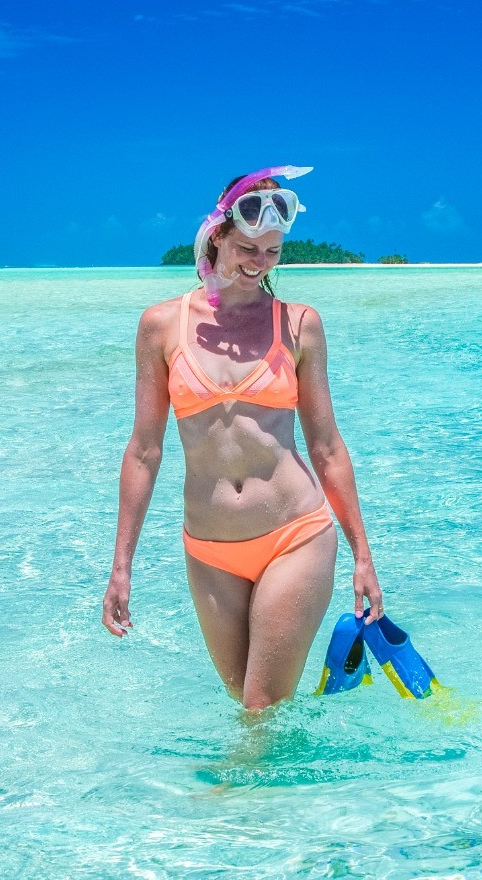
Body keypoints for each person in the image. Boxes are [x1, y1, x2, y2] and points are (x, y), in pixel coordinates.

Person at [102, 166, 385, 711]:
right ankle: (303, 786)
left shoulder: (300, 324)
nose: (259, 264)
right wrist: (121, 567)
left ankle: (230, 800)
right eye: (248, 248)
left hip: (293, 534)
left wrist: (363, 557)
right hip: (208, 551)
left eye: (273, 253)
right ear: (218, 237)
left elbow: (326, 446)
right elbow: (144, 449)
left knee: (260, 710)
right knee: (251, 707)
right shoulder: (161, 326)